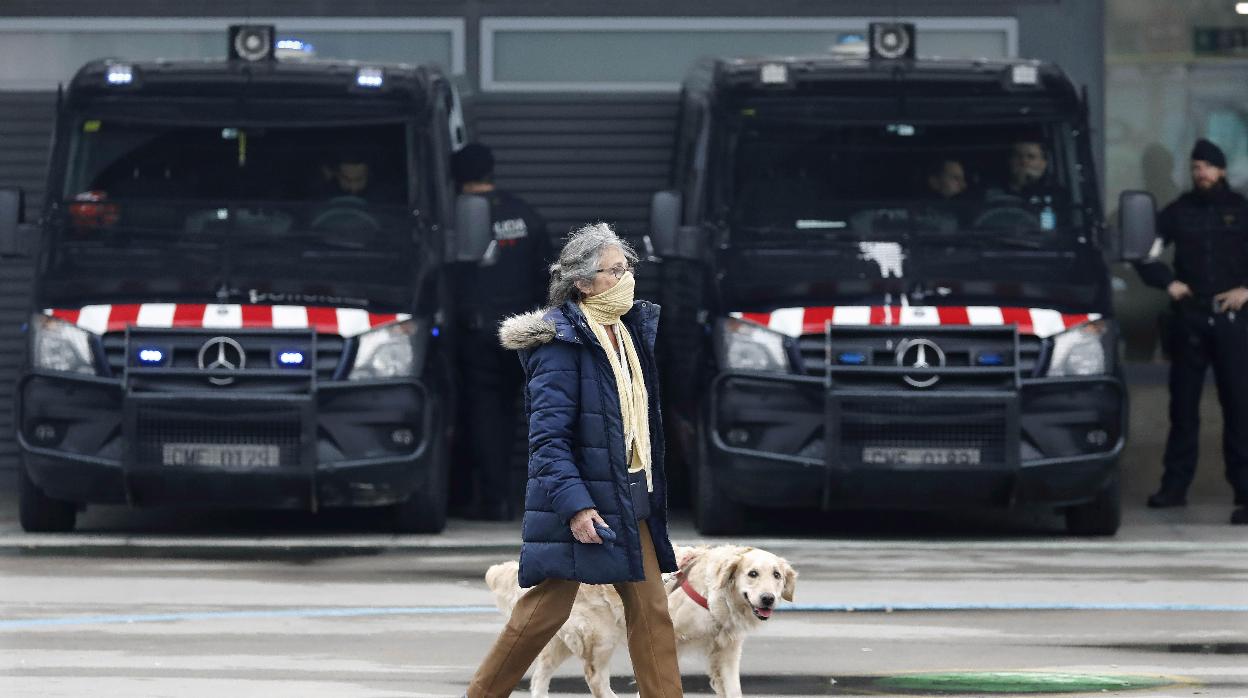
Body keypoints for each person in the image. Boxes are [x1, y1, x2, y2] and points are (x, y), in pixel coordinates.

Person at [464, 223, 683, 697]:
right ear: (582, 283)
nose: (626, 279)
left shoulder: (628, 333)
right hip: (583, 505)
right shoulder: (560, 345)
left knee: (652, 615)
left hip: (630, 496)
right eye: (613, 271)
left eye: (628, 268)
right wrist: (577, 508)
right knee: (543, 613)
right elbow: (548, 443)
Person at [1134, 138, 1248, 525]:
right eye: (1196, 167)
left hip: (1232, 321)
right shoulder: (1178, 212)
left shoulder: (1240, 210)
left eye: (1208, 167)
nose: (1201, 173)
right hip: (1190, 320)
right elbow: (1144, 252)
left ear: (1222, 171)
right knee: (1183, 409)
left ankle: (1245, 492)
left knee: (1239, 408)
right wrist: (1168, 282)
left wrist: (1246, 290)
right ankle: (1174, 488)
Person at [451, 143, 552, 520]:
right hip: (522, 332)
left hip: (475, 333)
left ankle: (491, 499)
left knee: (482, 412)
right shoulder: (524, 214)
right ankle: (514, 497)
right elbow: (550, 275)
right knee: (515, 415)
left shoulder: (451, 216)